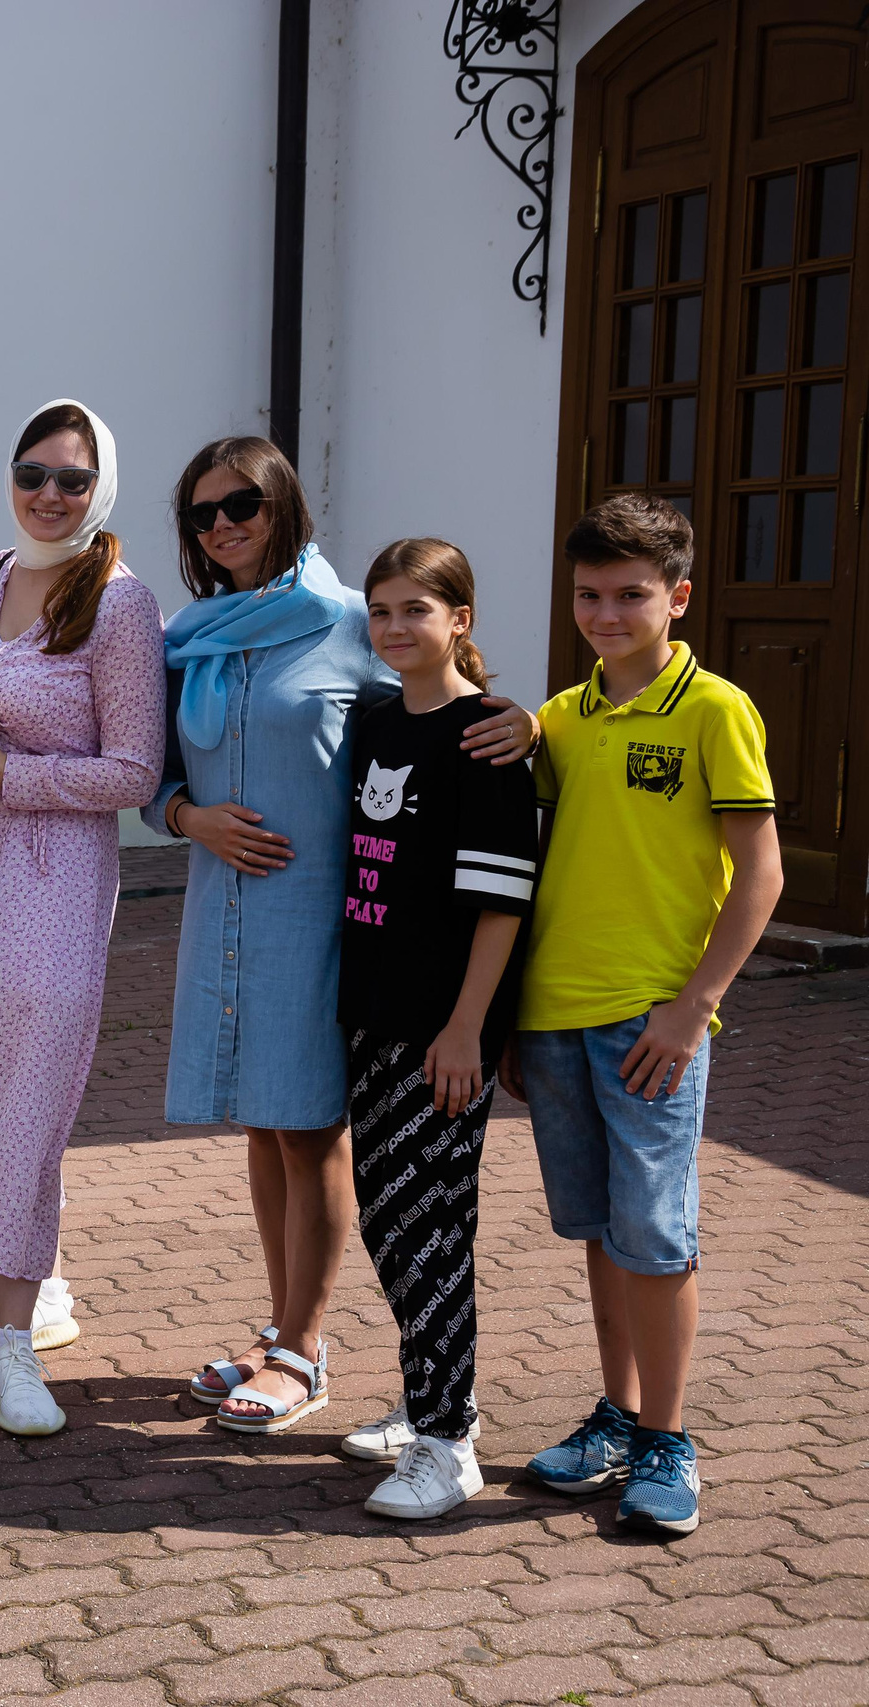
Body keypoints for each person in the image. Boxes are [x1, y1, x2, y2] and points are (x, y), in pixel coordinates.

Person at [146, 438, 534, 1434]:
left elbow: (440, 700)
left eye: (241, 504)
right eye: (202, 514)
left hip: (321, 915)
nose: (223, 524)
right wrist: (188, 819)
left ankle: (301, 1349)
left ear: (283, 506)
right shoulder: (191, 635)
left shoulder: (342, 621)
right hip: (221, 909)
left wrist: (528, 727)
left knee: (310, 1125)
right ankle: (276, 1329)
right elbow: (149, 768)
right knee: (263, 1125)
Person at [510, 495, 781, 1540]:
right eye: (588, 595)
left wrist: (693, 1005)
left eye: (630, 595)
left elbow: (757, 873)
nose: (606, 613)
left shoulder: (714, 708)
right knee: (599, 1230)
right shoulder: (561, 721)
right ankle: (618, 1414)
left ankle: (669, 1440)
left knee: (658, 1238)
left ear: (676, 596)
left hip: (651, 1027)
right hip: (553, 1019)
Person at [0, 401, 165, 1433]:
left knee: (29, 1083)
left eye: (71, 478)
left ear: (100, 486)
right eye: (32, 473)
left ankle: (13, 1346)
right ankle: (36, 1283)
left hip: (56, 873)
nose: (49, 495)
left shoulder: (120, 603)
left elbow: (134, 773)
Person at [333, 539, 537, 1520]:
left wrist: (467, 1029)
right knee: (389, 1218)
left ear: (459, 619)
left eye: (416, 609)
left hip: (439, 1032)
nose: (394, 628)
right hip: (370, 1016)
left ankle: (446, 1443)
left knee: (427, 1231)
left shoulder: (487, 740)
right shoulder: (374, 721)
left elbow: (502, 904)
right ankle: (430, 1403)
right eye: (380, 611)